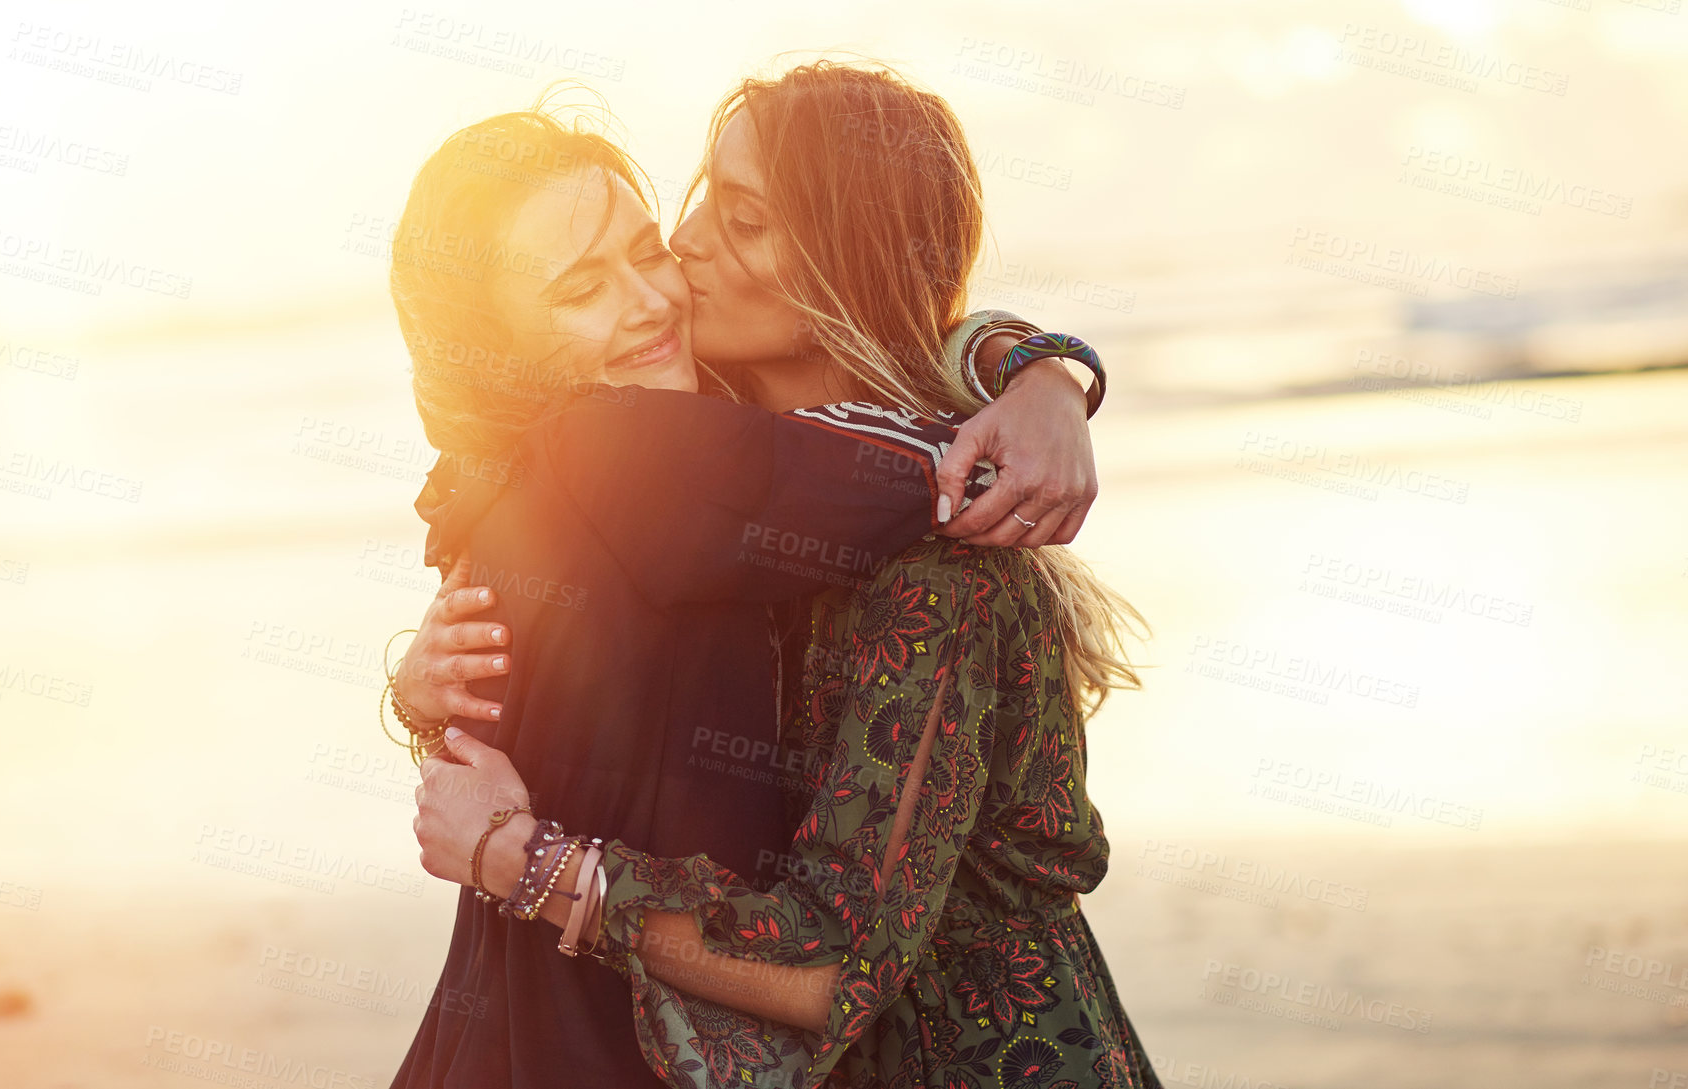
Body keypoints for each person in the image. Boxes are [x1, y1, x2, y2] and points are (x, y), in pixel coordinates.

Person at [410, 62, 1158, 1088]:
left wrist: (528, 864)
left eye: (748, 220)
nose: (686, 246)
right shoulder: (695, 469)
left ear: (841, 267)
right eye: (705, 196)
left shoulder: (935, 567)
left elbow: (832, 962)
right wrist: (425, 684)